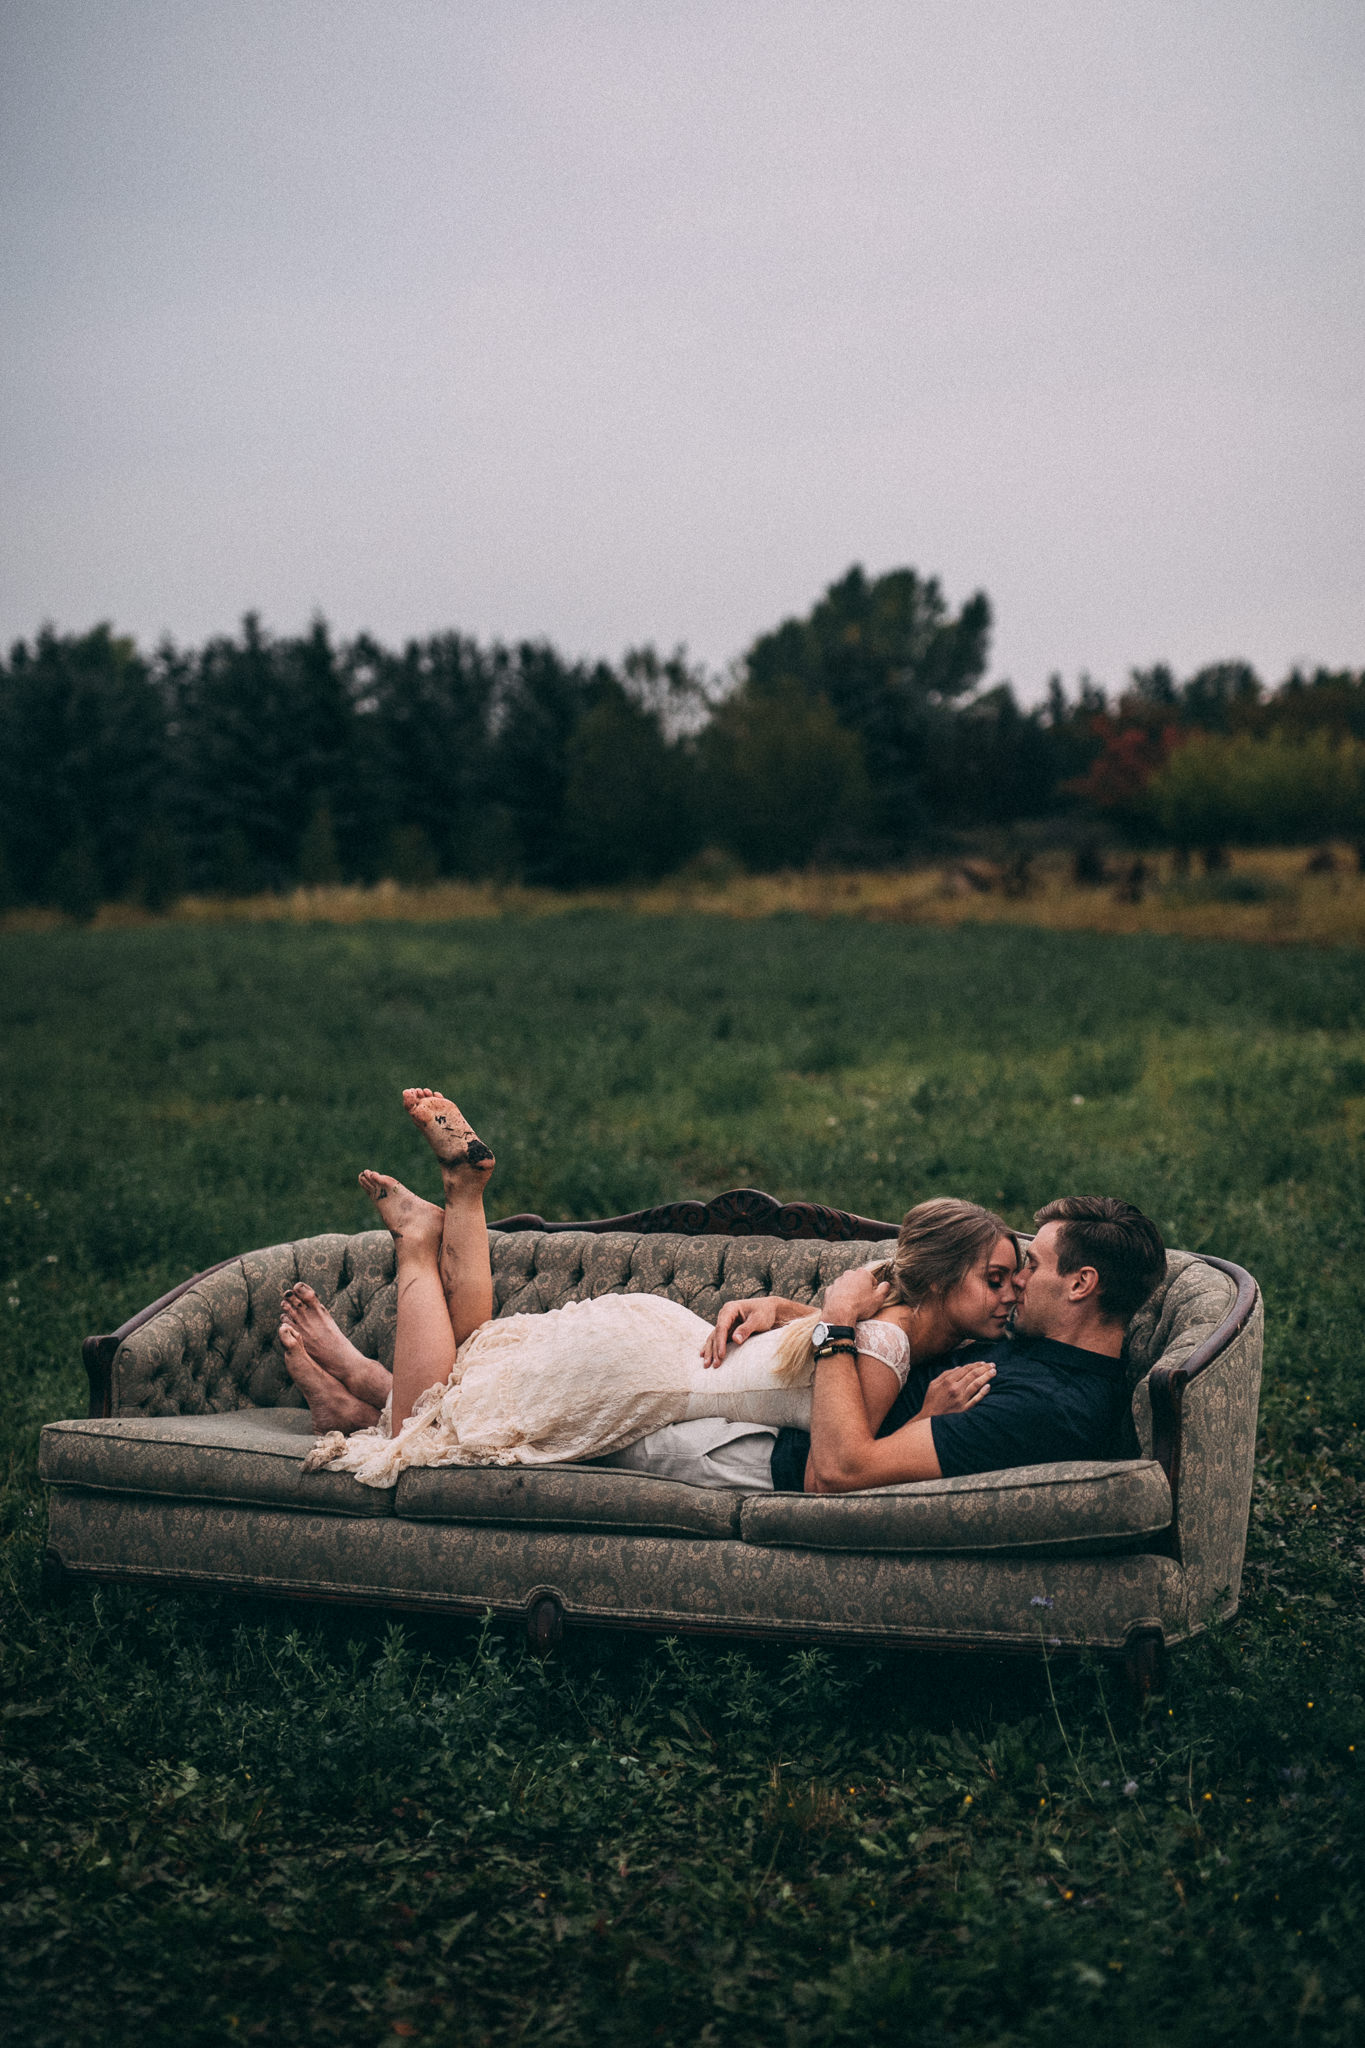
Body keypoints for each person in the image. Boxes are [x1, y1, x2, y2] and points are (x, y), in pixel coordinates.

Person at [283, 1090, 1020, 1489]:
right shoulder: (884, 1342)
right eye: (994, 1280)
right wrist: (920, 1417)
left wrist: (795, 1313)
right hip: (635, 1378)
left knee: (477, 1357)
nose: (1010, 1296)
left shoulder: (876, 1314)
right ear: (942, 1276)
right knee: (427, 1424)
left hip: (654, 1338)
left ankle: (456, 1209)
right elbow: (840, 1464)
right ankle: (417, 1248)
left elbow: (827, 1362)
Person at [709, 1193, 1166, 1491]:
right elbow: (921, 1327)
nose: (1018, 1283)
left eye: (1033, 1265)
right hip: (760, 1402)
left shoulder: (1045, 1407)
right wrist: (787, 1311)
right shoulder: (1039, 1343)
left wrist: (836, 1329)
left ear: (1081, 1284)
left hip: (759, 1452)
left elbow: (836, 1475)